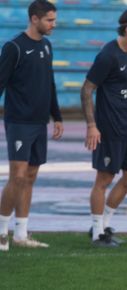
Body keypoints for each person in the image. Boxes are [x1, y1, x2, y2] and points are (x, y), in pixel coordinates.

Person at [80, 9, 127, 247]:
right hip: (109, 128)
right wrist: (91, 125)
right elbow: (87, 89)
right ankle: (98, 233)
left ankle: (103, 225)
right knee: (104, 178)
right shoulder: (108, 55)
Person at [0, 0, 63, 252]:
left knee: (30, 177)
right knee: (17, 177)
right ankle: (1, 232)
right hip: (19, 122)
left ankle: (21, 234)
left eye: (54, 20)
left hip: (39, 123)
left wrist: (57, 116)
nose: (53, 25)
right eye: (49, 20)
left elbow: (50, 84)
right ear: (35, 19)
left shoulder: (47, 46)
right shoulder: (13, 47)